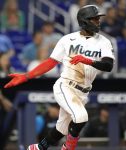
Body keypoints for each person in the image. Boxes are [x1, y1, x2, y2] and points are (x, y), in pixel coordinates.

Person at [4, 5, 115, 150]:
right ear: (84, 20)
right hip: (66, 86)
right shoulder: (68, 39)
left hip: (83, 91)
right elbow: (51, 62)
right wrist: (26, 76)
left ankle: (38, 148)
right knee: (81, 117)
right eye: (94, 19)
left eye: (98, 19)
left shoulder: (104, 42)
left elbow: (108, 65)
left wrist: (88, 61)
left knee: (61, 129)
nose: (98, 21)